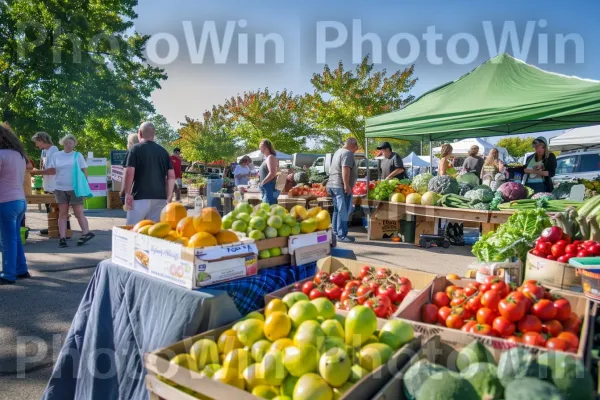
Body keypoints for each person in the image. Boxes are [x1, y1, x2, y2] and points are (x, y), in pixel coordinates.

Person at [45, 134, 95, 248]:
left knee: (78, 213)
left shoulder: (78, 155)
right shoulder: (57, 155)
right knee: (62, 214)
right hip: (60, 188)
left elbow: (84, 169)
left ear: (74, 145)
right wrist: (42, 172)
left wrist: (85, 184)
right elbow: (52, 169)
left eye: (70, 143)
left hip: (75, 188)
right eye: (66, 143)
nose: (68, 145)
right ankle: (62, 238)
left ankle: (86, 233)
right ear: (63, 143)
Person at [123, 122, 175, 225]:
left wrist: (127, 193)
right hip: (160, 198)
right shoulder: (163, 152)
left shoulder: (134, 149)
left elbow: (129, 172)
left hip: (139, 198)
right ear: (153, 134)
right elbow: (171, 176)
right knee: (154, 232)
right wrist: (169, 196)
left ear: (140, 133)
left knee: (132, 229)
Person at [0, 124, 29, 284]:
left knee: (7, 240)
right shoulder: (18, 155)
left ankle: (8, 274)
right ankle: (21, 269)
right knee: (15, 238)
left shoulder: (1, 155)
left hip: (5, 202)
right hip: (19, 201)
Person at [326, 137, 359, 243]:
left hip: (332, 185)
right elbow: (345, 168)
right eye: (356, 148)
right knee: (343, 211)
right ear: (353, 146)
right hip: (340, 186)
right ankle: (341, 235)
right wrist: (346, 185)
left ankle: (335, 233)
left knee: (337, 210)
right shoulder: (348, 153)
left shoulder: (338, 152)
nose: (356, 150)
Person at [30, 131, 63, 234]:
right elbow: (45, 168)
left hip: (54, 186)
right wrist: (38, 172)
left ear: (41, 140)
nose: (36, 144)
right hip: (48, 185)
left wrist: (37, 172)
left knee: (56, 209)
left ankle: (59, 229)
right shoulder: (45, 151)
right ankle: (51, 227)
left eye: (36, 142)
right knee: (49, 207)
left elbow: (53, 170)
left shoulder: (54, 150)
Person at [119, 133, 140, 204]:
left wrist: (123, 193)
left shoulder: (131, 153)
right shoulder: (147, 153)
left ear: (130, 143)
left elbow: (127, 174)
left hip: (133, 193)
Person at [258, 139, 279, 205]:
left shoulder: (270, 157)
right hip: (267, 189)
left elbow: (272, 173)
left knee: (267, 210)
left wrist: (263, 182)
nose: (259, 147)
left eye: (260, 145)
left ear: (266, 146)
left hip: (269, 189)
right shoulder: (267, 158)